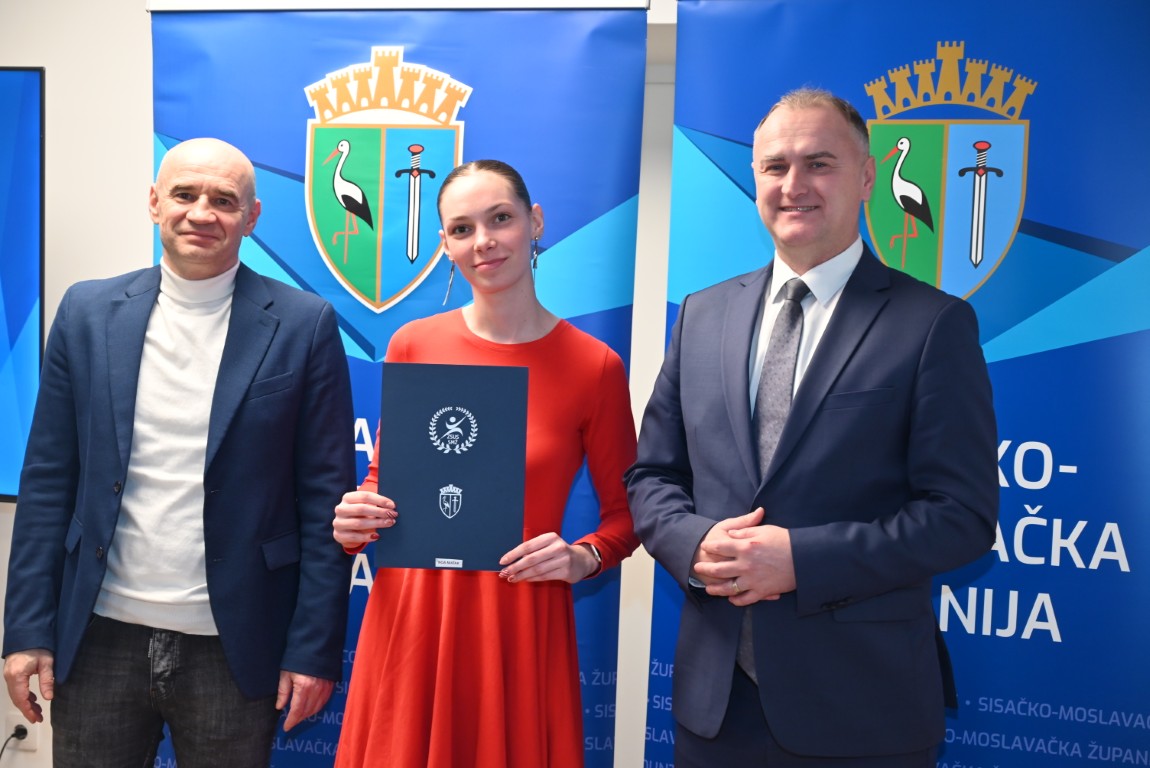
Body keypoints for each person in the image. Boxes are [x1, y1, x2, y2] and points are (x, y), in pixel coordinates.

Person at [625, 88, 999, 766]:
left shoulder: (933, 325)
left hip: (862, 710)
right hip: (714, 710)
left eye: (819, 163)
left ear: (867, 177)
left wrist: (800, 560)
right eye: (775, 167)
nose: (793, 185)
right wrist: (697, 541)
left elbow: (961, 516)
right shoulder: (702, 314)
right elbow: (653, 475)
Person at [2, 138, 356, 766]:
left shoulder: (305, 325)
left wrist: (311, 649)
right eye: (185, 194)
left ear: (251, 217)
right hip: (98, 635)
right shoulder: (86, 312)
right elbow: (49, 481)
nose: (201, 212)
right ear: (154, 202)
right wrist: (27, 629)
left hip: (234, 644)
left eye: (224, 200)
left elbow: (325, 502)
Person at [332, 159, 639, 768]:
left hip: (518, 620)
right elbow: (386, 483)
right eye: (462, 229)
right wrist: (355, 521)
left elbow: (628, 517)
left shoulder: (594, 366)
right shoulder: (413, 344)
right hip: (413, 616)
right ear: (445, 245)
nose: (484, 242)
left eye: (500, 219)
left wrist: (583, 557)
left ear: (535, 222)